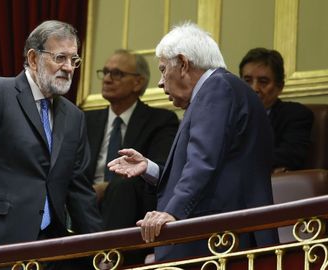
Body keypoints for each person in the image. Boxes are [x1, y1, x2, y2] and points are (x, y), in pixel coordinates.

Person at [108, 22, 279, 262]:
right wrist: (151, 168)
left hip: (217, 240)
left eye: (163, 69)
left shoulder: (216, 88)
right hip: (220, 237)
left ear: (184, 63)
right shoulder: (222, 89)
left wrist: (171, 213)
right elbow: (215, 164)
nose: (159, 82)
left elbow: (203, 162)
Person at [0, 20, 103, 259]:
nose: (69, 67)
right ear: (33, 59)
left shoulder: (74, 118)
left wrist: (101, 248)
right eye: (60, 58)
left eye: (74, 60)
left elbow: (80, 192)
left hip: (48, 251)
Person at [85, 49, 179, 264]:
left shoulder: (161, 120)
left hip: (133, 203)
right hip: (87, 200)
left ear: (138, 83)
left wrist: (107, 189)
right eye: (105, 72)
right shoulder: (85, 120)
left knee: (122, 188)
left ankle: (110, 260)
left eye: (116, 74)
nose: (107, 79)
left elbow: (161, 168)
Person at [239, 47, 314, 172]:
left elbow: (290, 155)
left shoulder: (296, 115)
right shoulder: (227, 117)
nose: (254, 88)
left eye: (263, 81)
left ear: (280, 87)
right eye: (247, 81)